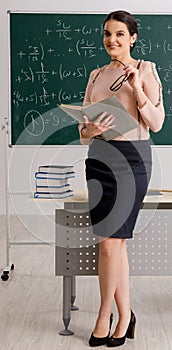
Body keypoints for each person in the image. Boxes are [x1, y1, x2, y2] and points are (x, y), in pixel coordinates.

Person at [78, 10, 165, 347]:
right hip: (99, 158)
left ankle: (104, 316)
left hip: (132, 160)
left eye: (118, 34)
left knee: (112, 243)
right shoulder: (97, 74)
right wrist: (90, 128)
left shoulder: (146, 69)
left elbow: (156, 123)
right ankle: (125, 316)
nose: (111, 40)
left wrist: (137, 89)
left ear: (133, 38)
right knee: (111, 244)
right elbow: (83, 131)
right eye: (106, 34)